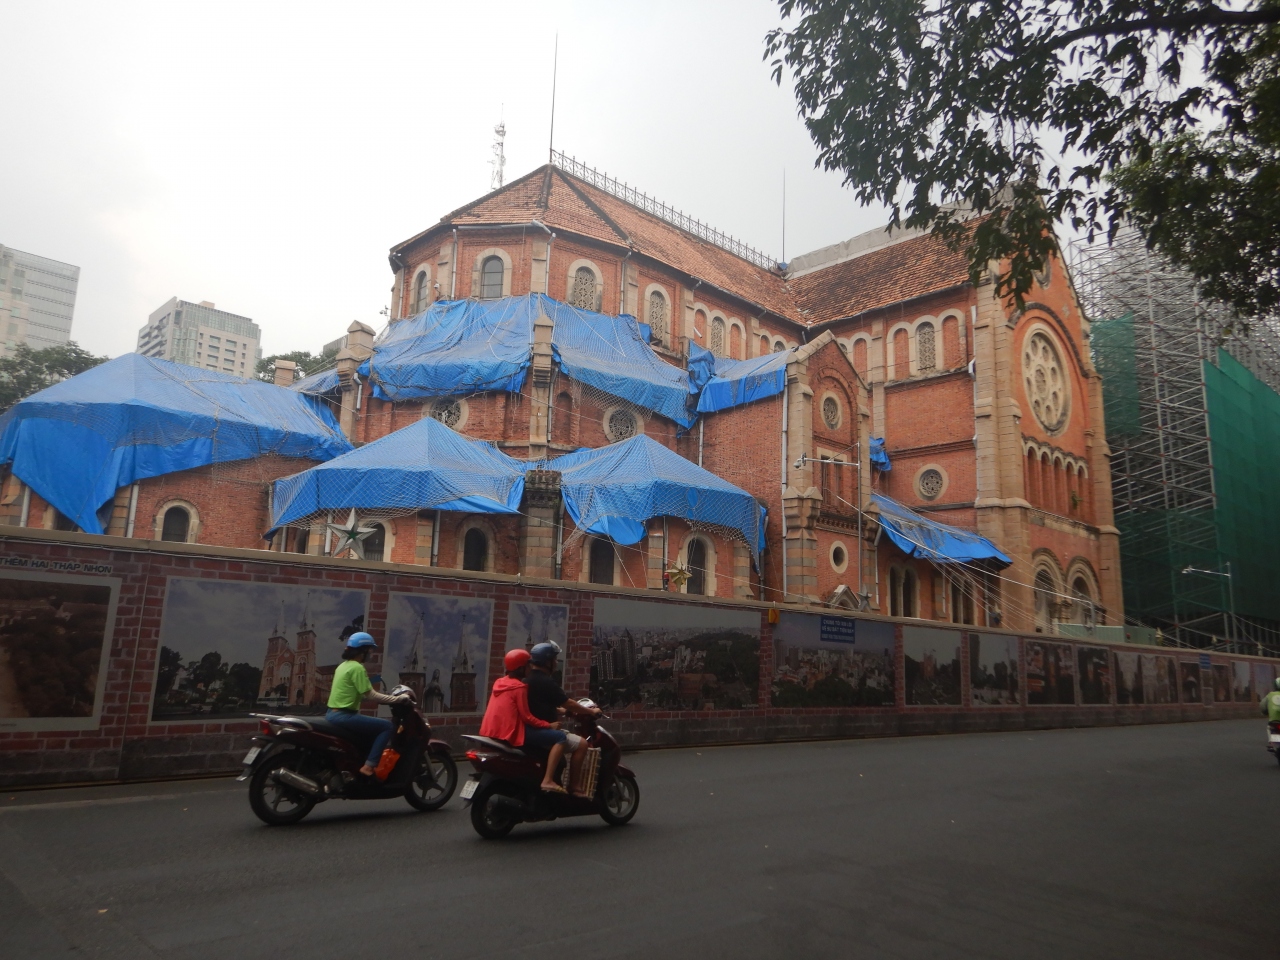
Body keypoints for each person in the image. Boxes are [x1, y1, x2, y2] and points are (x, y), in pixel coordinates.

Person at [479, 648, 567, 793]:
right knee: (561, 737)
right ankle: (548, 780)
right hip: (511, 731)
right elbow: (527, 717)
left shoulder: (500, 683)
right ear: (521, 669)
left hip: (491, 731)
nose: (530, 669)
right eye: (528, 666)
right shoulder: (519, 688)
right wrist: (548, 725)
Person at [325, 632, 408, 777]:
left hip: (332, 713)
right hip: (344, 716)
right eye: (369, 650)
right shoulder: (357, 668)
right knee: (387, 726)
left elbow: (353, 692)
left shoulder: (342, 666)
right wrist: (398, 699)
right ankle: (369, 766)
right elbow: (372, 695)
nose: (370, 653)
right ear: (361, 650)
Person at [526, 642, 601, 798]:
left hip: (531, 729)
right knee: (582, 744)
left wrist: (562, 712)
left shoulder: (527, 680)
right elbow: (568, 703)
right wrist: (591, 711)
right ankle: (574, 787)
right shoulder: (546, 682)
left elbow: (539, 704)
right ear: (547, 661)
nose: (555, 663)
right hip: (542, 732)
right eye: (554, 659)